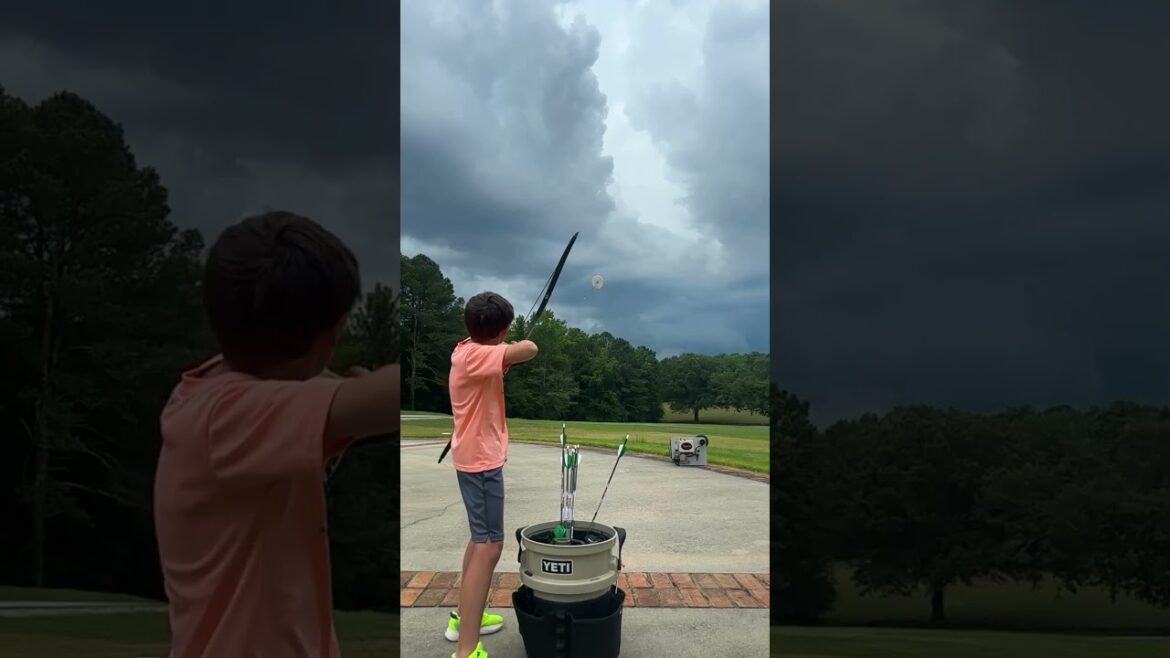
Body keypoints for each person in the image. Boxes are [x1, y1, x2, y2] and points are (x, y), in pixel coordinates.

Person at [153, 211, 400, 658]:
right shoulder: (230, 417)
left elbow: (325, 385)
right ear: (328, 337)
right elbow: (383, 398)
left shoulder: (213, 393)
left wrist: (346, 386)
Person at [445, 292, 538, 658]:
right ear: (500, 330)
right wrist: (513, 344)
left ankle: (464, 617)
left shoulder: (467, 348)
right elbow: (529, 349)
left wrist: (502, 346)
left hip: (474, 458)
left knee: (479, 539)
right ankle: (467, 651)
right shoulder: (479, 355)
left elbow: (500, 357)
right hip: (481, 462)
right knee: (489, 547)